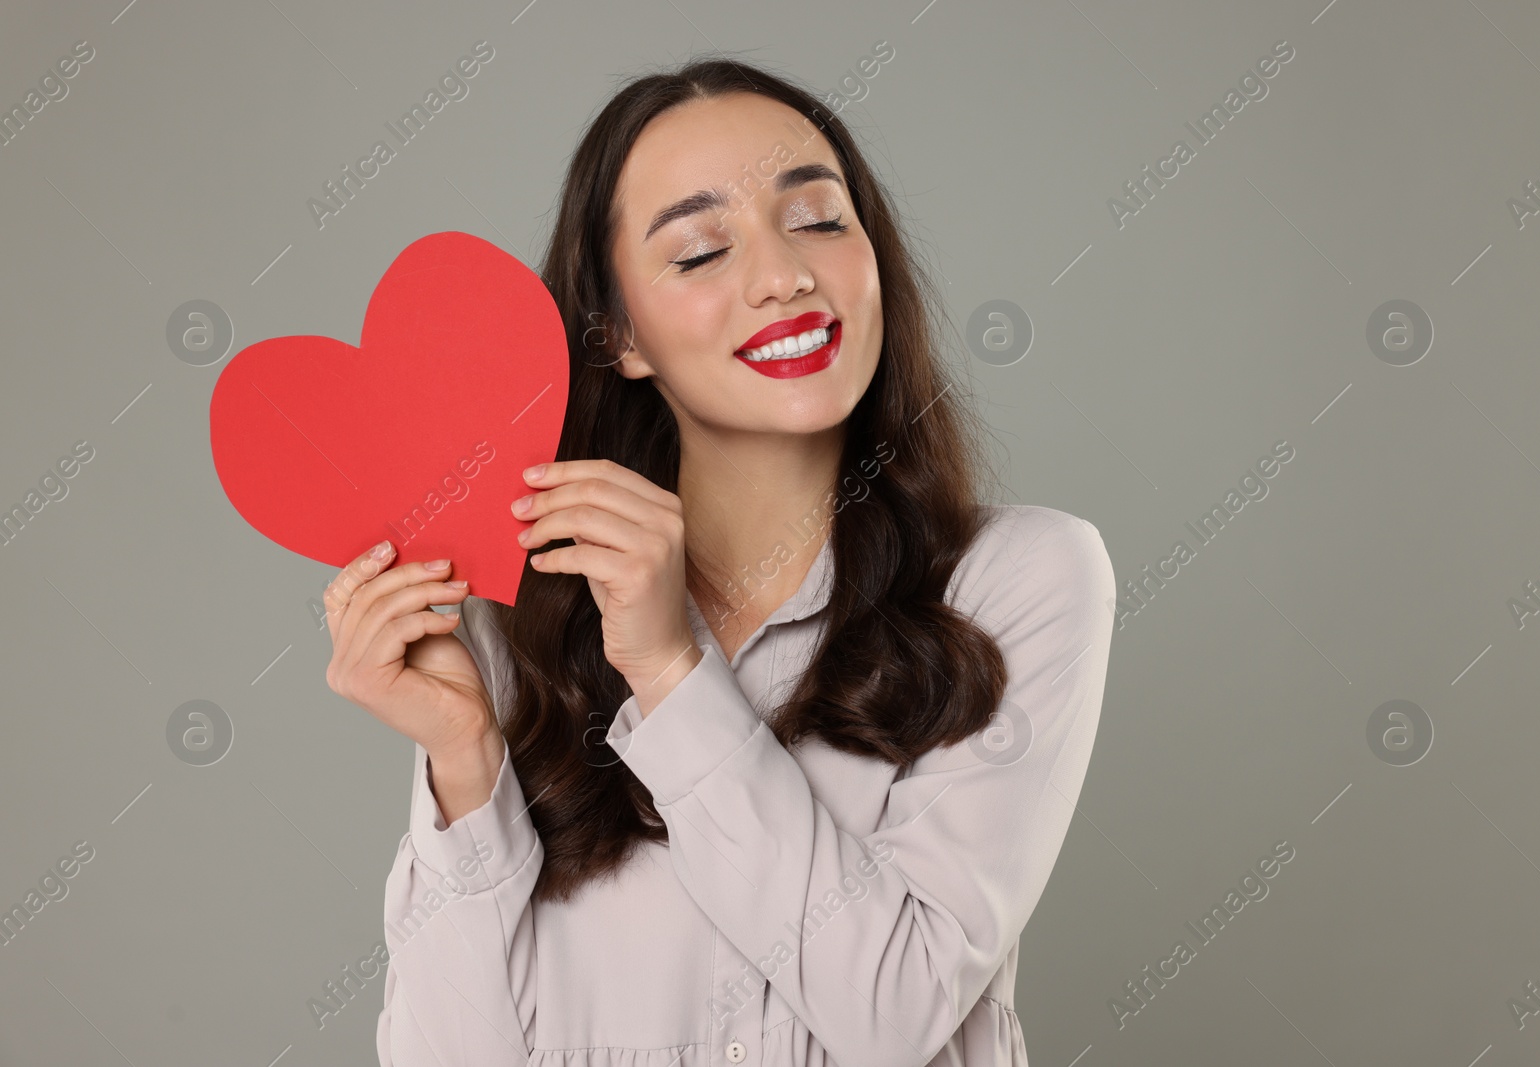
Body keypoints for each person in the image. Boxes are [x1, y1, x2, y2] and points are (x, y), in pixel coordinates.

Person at [321, 55, 1116, 1067]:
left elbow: (895, 1014)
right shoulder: (514, 616)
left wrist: (668, 668)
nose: (783, 274)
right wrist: (465, 765)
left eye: (820, 219)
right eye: (699, 251)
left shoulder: (1017, 580)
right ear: (618, 336)